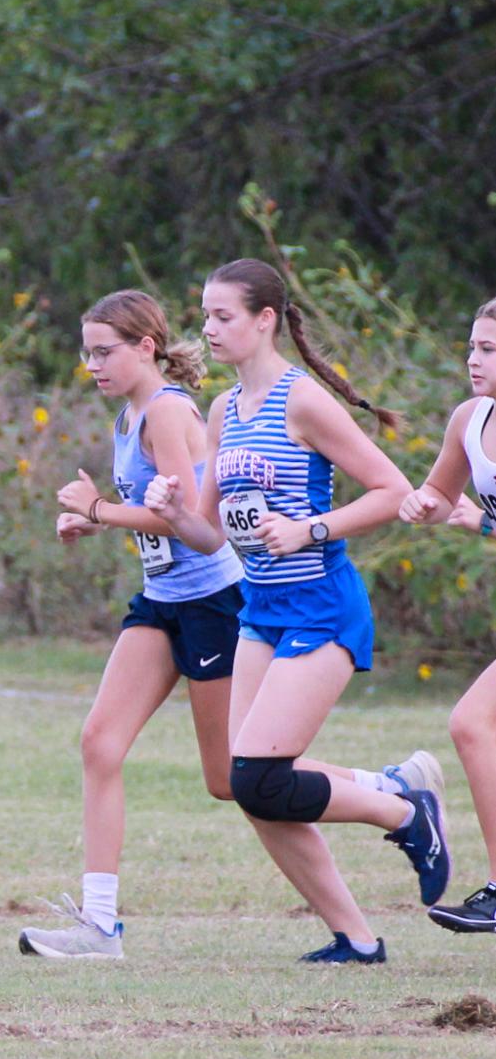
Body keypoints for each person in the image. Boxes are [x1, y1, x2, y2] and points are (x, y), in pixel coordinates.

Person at [26, 290, 437, 958]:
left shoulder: (169, 410)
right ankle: (99, 924)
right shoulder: (142, 414)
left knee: (236, 778)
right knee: (100, 742)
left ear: (144, 347)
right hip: (162, 601)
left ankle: (387, 793)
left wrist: (99, 510)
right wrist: (96, 514)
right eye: (86, 352)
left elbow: (188, 527)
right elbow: (186, 519)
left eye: (103, 351)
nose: (91, 364)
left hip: (217, 605)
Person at [145, 258, 447, 964]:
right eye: (204, 315)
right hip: (262, 609)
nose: (209, 328)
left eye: (223, 316)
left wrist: (308, 529)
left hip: (322, 606)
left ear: (264, 320)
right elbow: (210, 531)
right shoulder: (222, 411)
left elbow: (388, 489)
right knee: (245, 784)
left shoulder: (301, 400)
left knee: (258, 774)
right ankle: (355, 936)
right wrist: (172, 513)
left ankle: (402, 810)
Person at [398, 297, 496, 932]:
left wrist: (484, 520)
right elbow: (440, 492)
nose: (473, 359)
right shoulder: (470, 419)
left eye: (488, 350)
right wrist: (419, 504)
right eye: (471, 346)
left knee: (471, 722)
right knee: (472, 724)